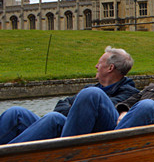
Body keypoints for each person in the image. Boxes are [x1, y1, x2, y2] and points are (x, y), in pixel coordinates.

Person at [8, 50, 154, 144]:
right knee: (22, 114)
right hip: (116, 128)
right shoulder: (151, 88)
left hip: (143, 131)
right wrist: (122, 112)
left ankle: (67, 152)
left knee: (147, 106)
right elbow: (127, 103)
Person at [1, 47, 139, 145]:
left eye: (100, 63)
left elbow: (89, 112)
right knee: (16, 113)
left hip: (91, 138)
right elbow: (61, 106)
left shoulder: (128, 92)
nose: (96, 66)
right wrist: (75, 108)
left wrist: (76, 106)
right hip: (67, 128)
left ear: (110, 68)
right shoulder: (91, 88)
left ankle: (6, 160)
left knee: (53, 118)